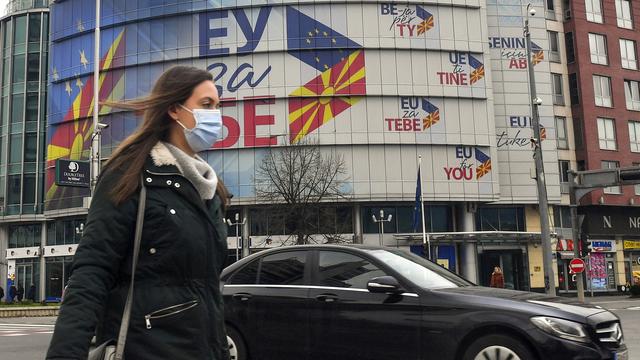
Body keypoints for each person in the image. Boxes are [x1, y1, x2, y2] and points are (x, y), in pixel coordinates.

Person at [46, 66, 230, 360]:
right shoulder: (131, 174)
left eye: (218, 106)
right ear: (174, 109)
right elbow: (92, 271)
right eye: (206, 105)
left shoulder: (210, 189)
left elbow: (207, 291)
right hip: (145, 349)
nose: (215, 115)